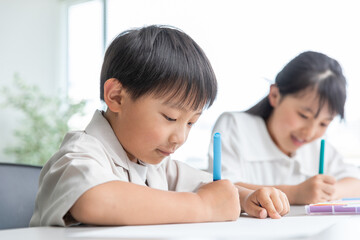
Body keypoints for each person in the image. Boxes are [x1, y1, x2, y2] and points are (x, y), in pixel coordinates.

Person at [30, 25, 289, 227]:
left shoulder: (158, 166)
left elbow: (213, 188)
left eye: (191, 123)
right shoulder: (78, 155)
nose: (180, 137)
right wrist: (203, 206)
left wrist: (244, 198)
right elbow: (95, 200)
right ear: (117, 97)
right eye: (170, 118)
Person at [207, 51, 360, 205]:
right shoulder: (235, 127)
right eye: (303, 115)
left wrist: (328, 192)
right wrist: (295, 194)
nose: (310, 132)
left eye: (324, 123)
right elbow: (220, 188)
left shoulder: (318, 147)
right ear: (274, 95)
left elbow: (356, 183)